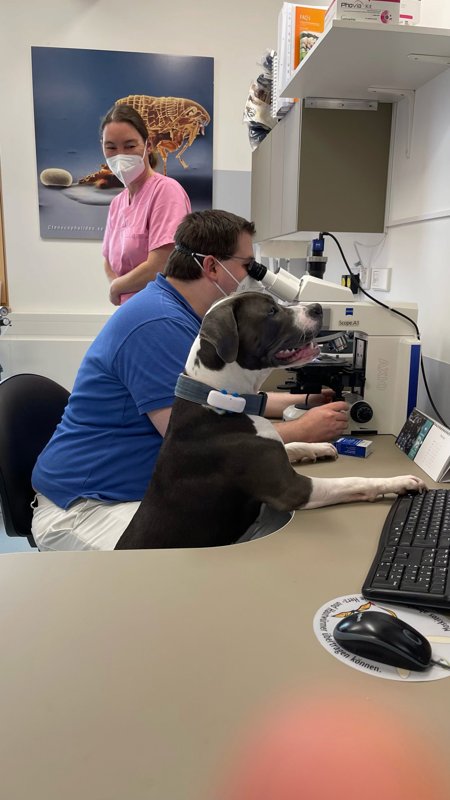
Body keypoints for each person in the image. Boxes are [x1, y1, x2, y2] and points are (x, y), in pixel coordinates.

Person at [31, 210, 349, 552]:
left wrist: (299, 403)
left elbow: (223, 401)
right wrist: (301, 430)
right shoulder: (157, 323)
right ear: (212, 266)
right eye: (248, 266)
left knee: (269, 521)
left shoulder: (181, 314)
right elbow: (196, 438)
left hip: (134, 495)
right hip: (86, 508)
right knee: (241, 552)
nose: (255, 277)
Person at [101, 103, 191, 305]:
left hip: (159, 310)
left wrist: (117, 287)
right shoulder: (117, 203)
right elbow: (108, 260)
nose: (120, 155)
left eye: (130, 146)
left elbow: (160, 265)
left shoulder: (166, 191)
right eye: (111, 147)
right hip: (130, 310)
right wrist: (118, 289)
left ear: (148, 146)